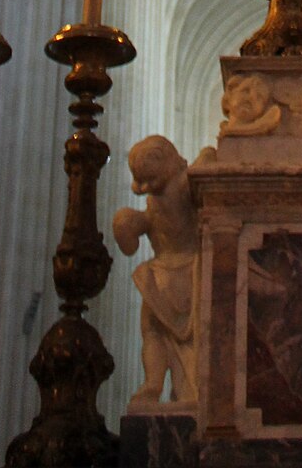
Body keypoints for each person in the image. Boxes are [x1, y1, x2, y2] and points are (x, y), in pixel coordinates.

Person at [112, 136, 200, 406]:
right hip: (160, 273)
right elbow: (137, 233)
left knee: (197, 338)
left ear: (167, 163)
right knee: (151, 330)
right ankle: (153, 383)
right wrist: (127, 224)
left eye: (151, 180)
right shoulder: (155, 197)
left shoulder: (185, 184)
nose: (146, 187)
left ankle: (193, 385)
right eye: (142, 182)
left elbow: (207, 178)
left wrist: (208, 156)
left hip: (191, 270)